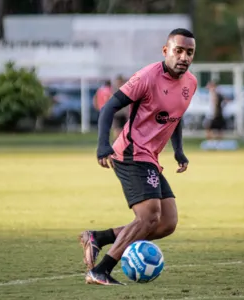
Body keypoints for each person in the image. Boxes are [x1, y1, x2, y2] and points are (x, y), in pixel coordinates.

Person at [79, 28, 197, 286]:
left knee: (166, 223)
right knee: (148, 217)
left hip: (151, 157)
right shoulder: (146, 77)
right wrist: (102, 146)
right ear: (165, 51)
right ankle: (101, 270)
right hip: (131, 154)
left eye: (189, 52)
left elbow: (176, 116)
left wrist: (178, 150)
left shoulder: (191, 83)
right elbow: (109, 106)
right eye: (178, 51)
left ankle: (97, 237)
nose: (184, 57)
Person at [112, 75, 128, 140]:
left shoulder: (125, 90)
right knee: (117, 130)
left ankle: (120, 145)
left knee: (123, 131)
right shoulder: (114, 90)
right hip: (117, 113)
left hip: (123, 114)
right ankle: (115, 144)